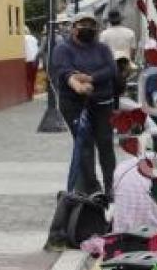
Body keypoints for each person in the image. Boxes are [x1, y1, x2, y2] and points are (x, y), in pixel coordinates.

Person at [50, 12, 118, 201]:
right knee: (85, 144)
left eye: (91, 25)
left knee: (106, 144)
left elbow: (111, 69)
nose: (87, 28)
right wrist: (78, 85)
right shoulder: (63, 50)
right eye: (82, 25)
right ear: (73, 28)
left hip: (103, 102)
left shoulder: (103, 48)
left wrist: (89, 78)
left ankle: (112, 186)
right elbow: (65, 72)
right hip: (74, 104)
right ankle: (92, 190)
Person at [23, 27, 39, 100]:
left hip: (28, 60)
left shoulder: (23, 38)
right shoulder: (34, 38)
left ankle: (29, 95)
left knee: (28, 78)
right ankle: (31, 94)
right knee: (33, 78)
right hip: (35, 60)